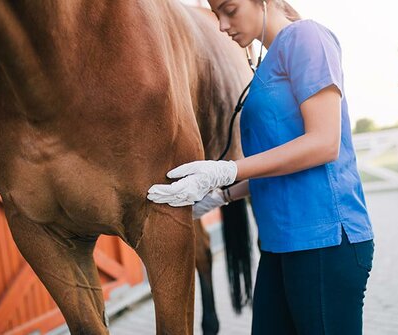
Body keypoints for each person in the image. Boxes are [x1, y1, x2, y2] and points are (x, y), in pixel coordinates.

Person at [147, 0, 375, 334]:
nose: (222, 25)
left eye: (230, 10)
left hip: (323, 240)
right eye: (217, 15)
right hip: (276, 244)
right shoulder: (266, 64)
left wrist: (227, 169)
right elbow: (277, 164)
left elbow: (324, 143)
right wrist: (220, 196)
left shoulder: (307, 37)